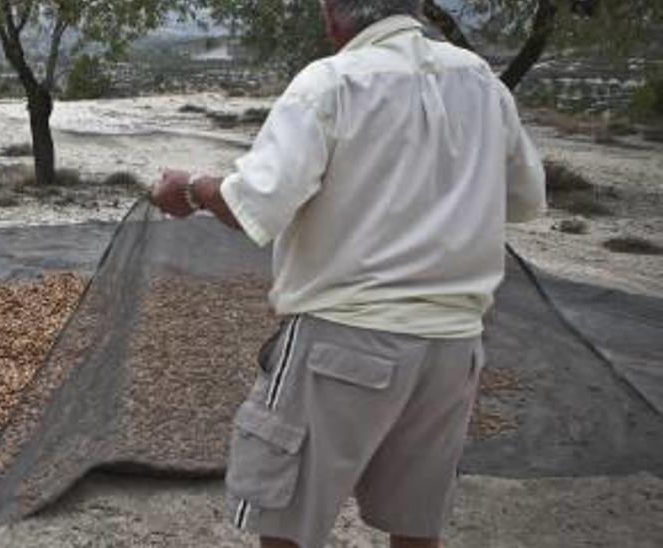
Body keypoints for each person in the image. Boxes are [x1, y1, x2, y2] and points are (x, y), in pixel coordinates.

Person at [149, 0, 547, 547]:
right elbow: (524, 199)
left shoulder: (331, 83)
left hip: (342, 341)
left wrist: (191, 189)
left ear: (332, 17)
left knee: (284, 518)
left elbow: (254, 206)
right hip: (453, 350)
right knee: (415, 523)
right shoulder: (482, 82)